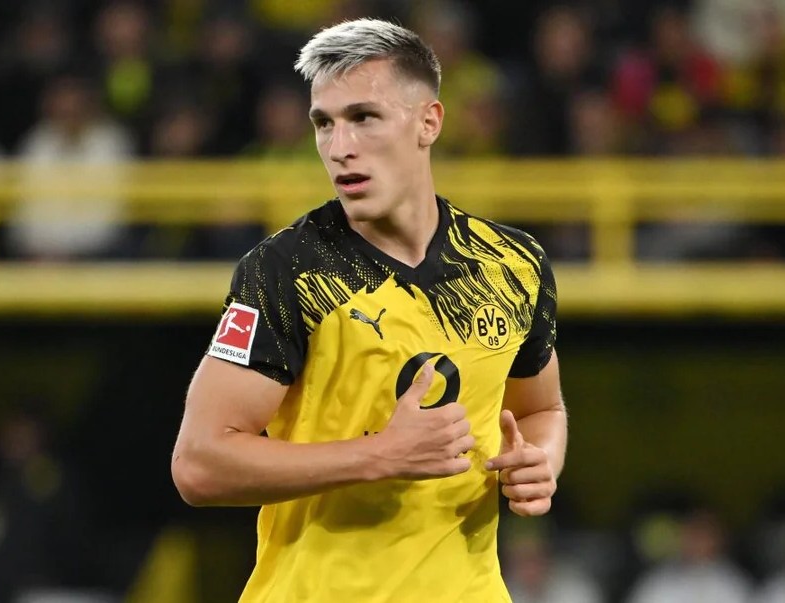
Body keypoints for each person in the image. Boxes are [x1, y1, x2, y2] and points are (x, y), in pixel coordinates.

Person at [171, 18, 567, 602]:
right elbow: (199, 465)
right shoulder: (288, 271)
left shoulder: (512, 264)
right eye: (323, 123)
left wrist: (540, 463)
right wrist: (380, 454)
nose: (339, 147)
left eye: (363, 117)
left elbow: (541, 408)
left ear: (429, 122)